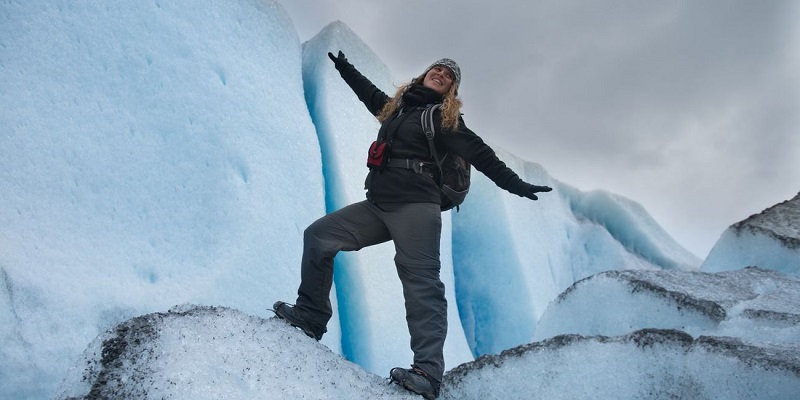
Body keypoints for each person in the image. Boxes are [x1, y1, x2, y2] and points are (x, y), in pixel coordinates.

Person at [273, 51, 552, 399]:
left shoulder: (442, 119)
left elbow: (481, 154)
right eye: (437, 68)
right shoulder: (398, 110)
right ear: (422, 75)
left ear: (450, 91)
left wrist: (517, 185)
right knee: (319, 236)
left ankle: (428, 372)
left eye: (449, 75)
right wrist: (345, 68)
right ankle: (311, 317)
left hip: (416, 208)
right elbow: (369, 94)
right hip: (378, 205)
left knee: (421, 284)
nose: (441, 73)